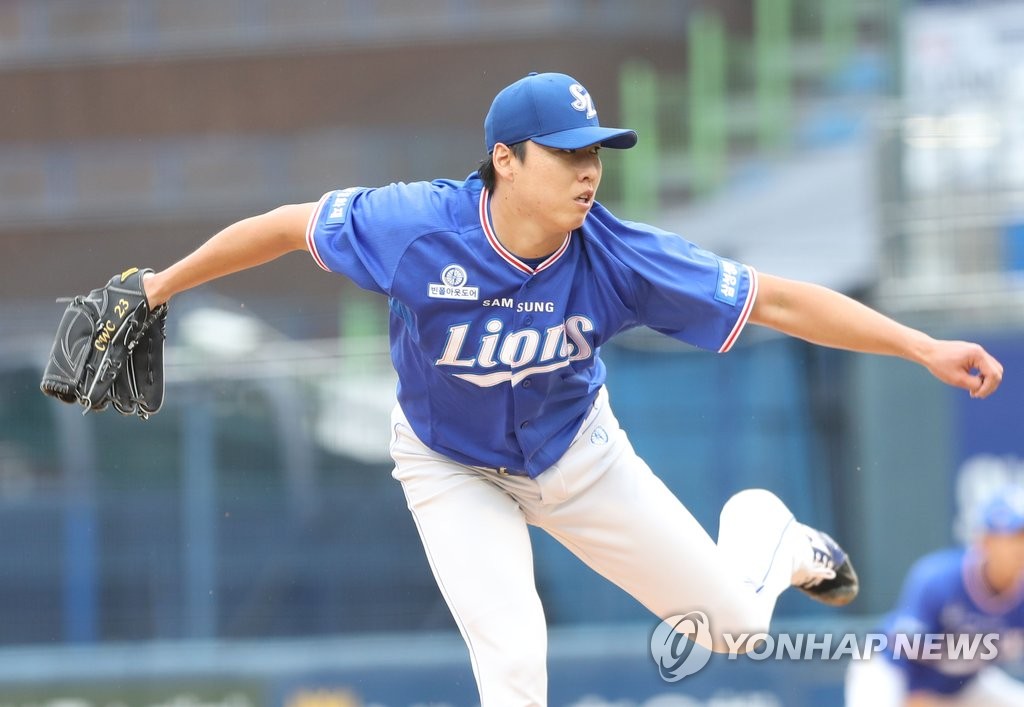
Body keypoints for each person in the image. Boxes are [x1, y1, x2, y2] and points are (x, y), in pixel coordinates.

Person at [137, 72, 1003, 706]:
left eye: (597, 152)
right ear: (507, 160)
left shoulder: (618, 254)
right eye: (568, 153)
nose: (590, 170)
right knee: (514, 665)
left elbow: (772, 296)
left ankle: (765, 535)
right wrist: (156, 288)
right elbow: (288, 227)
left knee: (735, 627)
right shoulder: (416, 227)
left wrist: (919, 343)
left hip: (576, 452)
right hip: (450, 463)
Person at [845, 489, 1024, 707]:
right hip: (890, 671)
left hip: (964, 685)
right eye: (1015, 536)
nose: (1021, 546)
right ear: (985, 541)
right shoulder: (940, 578)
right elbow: (904, 655)